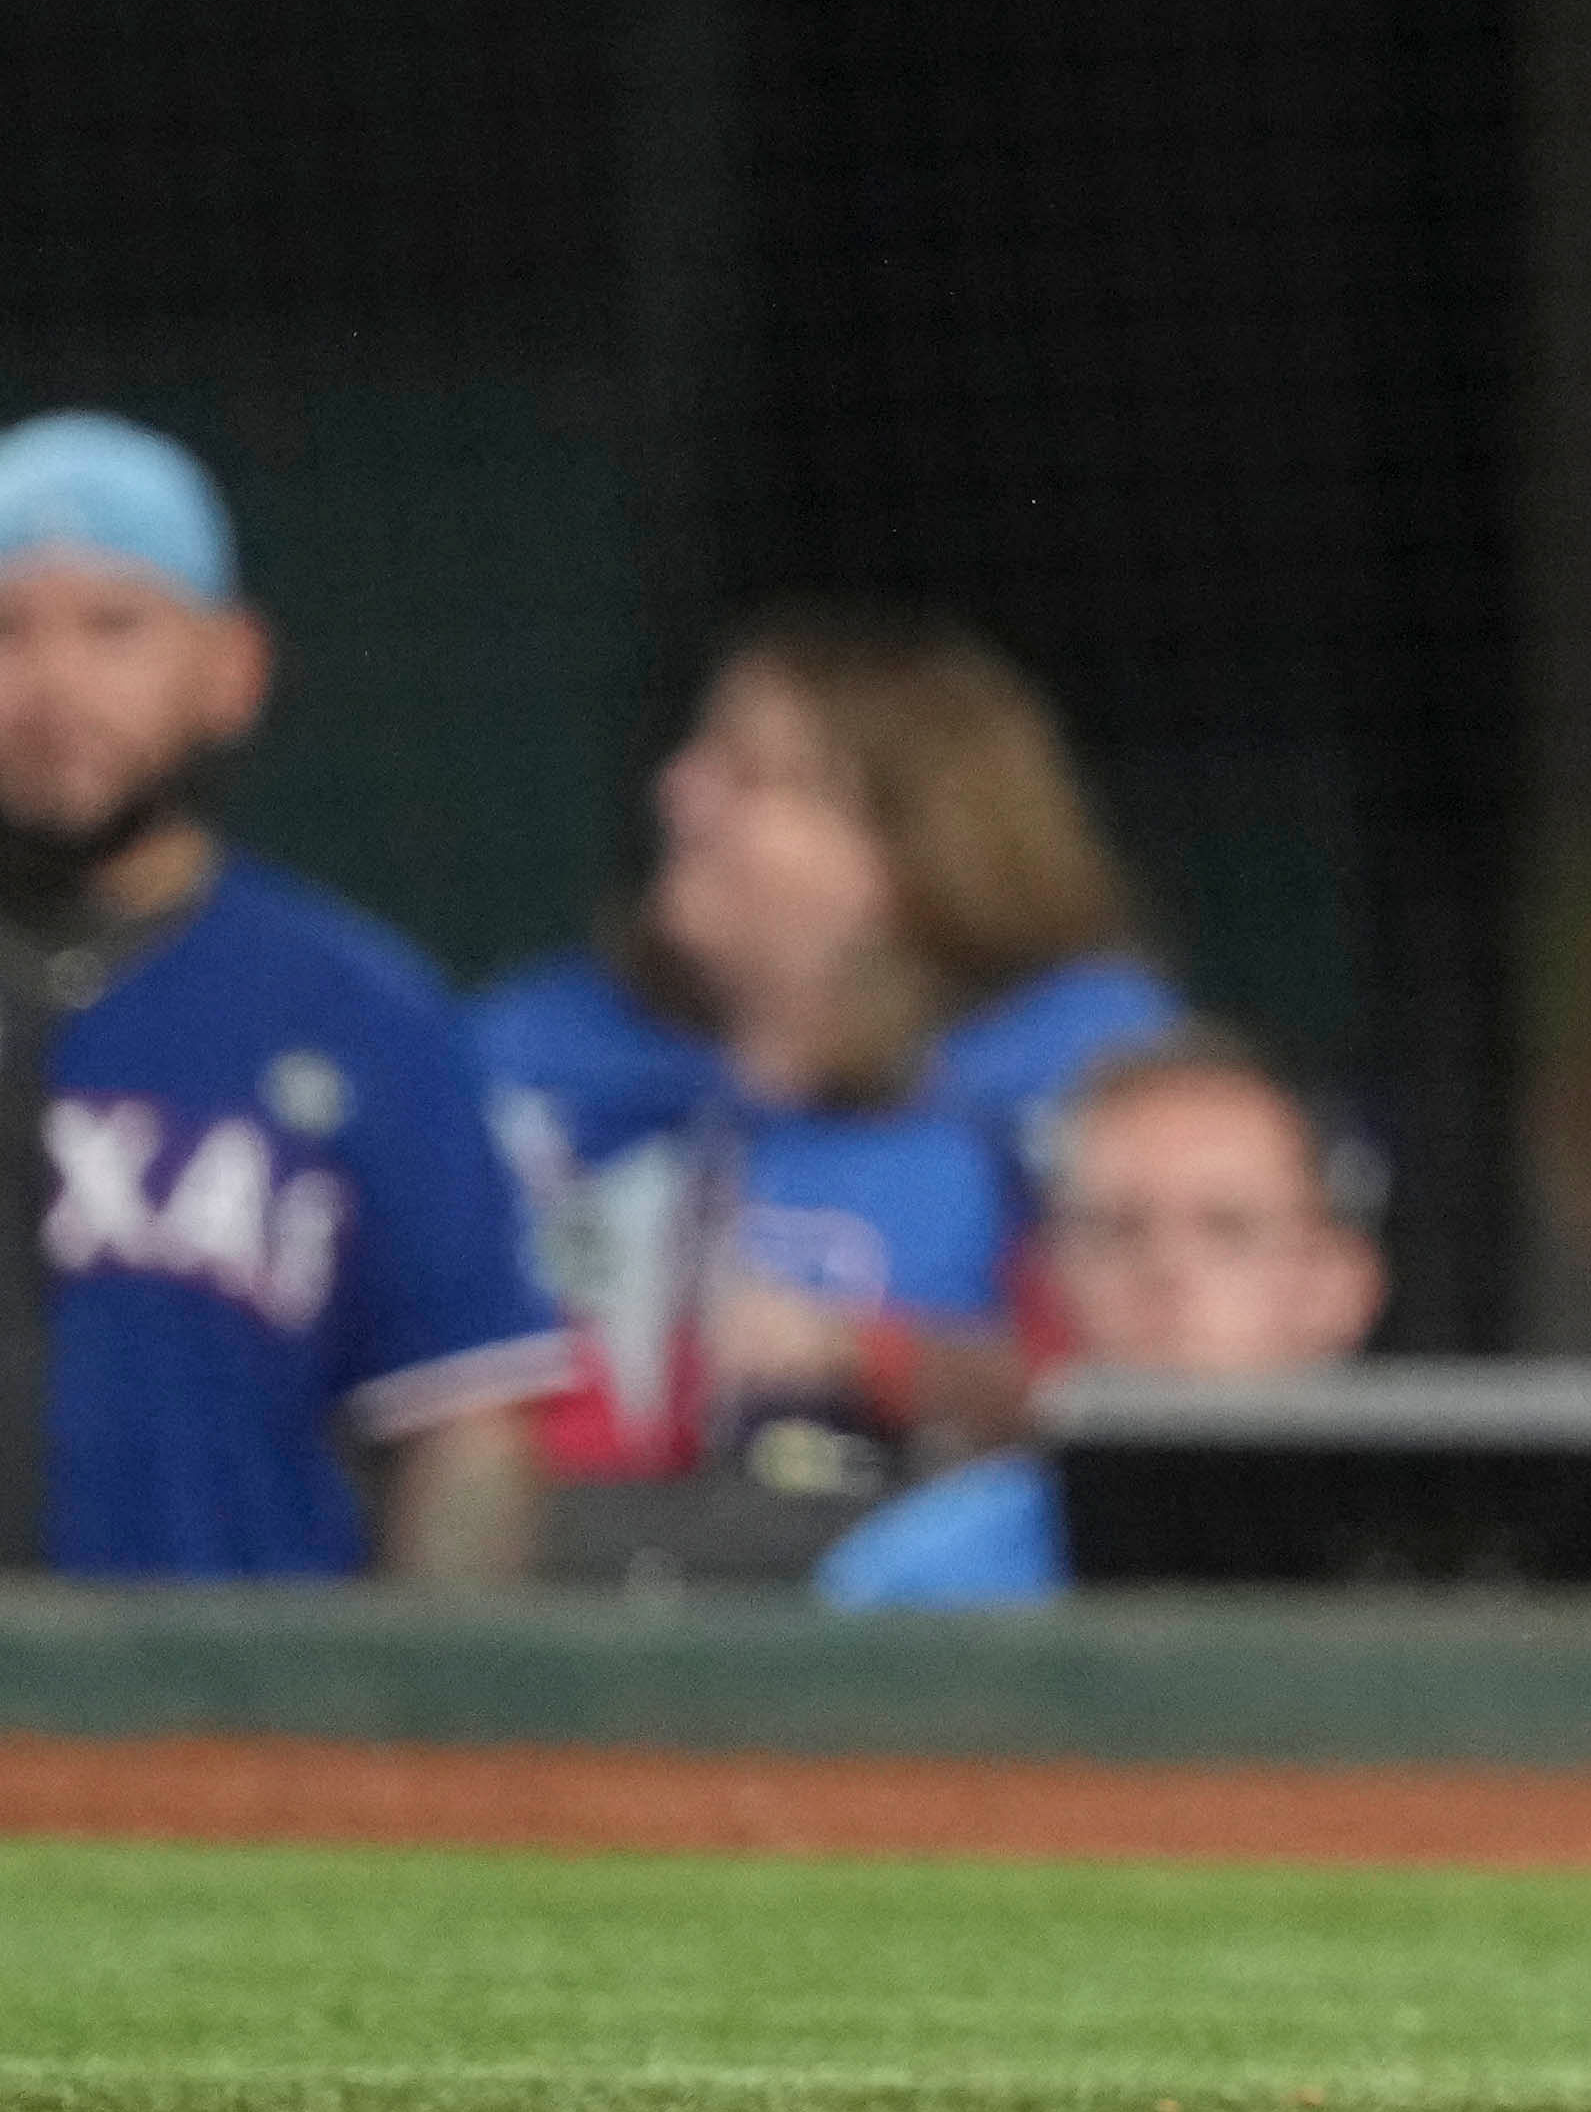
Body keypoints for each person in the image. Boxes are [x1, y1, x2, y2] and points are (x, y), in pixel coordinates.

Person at [0, 411, 553, 1579]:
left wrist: (420, 1726)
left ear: (232, 667)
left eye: (115, 626)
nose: (52, 685)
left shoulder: (355, 1008)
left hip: (226, 1730)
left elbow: (464, 1425)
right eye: (5, 630)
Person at [470, 613, 1175, 1494]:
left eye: (751, 775)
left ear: (899, 853)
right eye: (698, 755)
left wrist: (866, 1357)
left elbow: (1163, 1389)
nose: (678, 789)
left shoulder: (1088, 1074)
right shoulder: (543, 1053)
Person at [814, 1024, 1389, 1609]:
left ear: (1339, 1285)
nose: (1164, 1269)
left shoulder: (1435, 1573)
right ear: (1052, 1276)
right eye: (1117, 1230)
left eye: (1227, 1228)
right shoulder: (913, 1589)